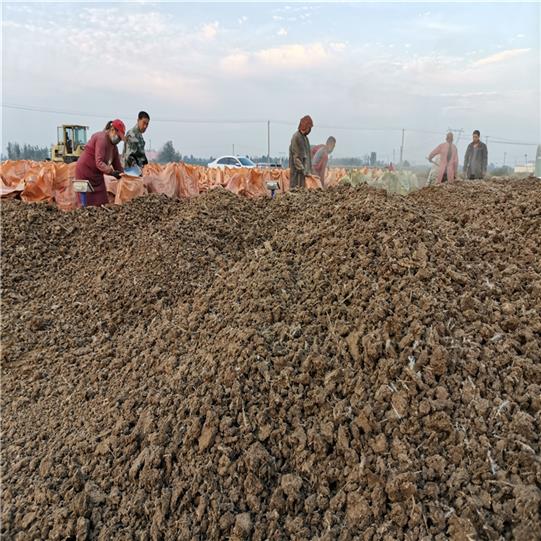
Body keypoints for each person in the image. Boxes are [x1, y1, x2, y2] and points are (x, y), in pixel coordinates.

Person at [75, 119, 125, 207]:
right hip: (85, 172)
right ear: (112, 130)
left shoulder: (114, 148)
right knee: (86, 203)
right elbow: (99, 162)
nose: (119, 140)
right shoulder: (101, 139)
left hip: (97, 176)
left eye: (120, 139)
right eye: (118, 137)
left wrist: (123, 176)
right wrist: (112, 172)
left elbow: (117, 165)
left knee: (102, 201)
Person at [289, 115, 313, 189]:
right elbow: (296, 158)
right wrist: (304, 170)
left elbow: (308, 156)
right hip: (297, 175)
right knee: (296, 192)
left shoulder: (305, 139)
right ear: (305, 127)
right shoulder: (296, 137)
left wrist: (309, 170)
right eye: (309, 128)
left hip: (304, 174)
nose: (310, 130)